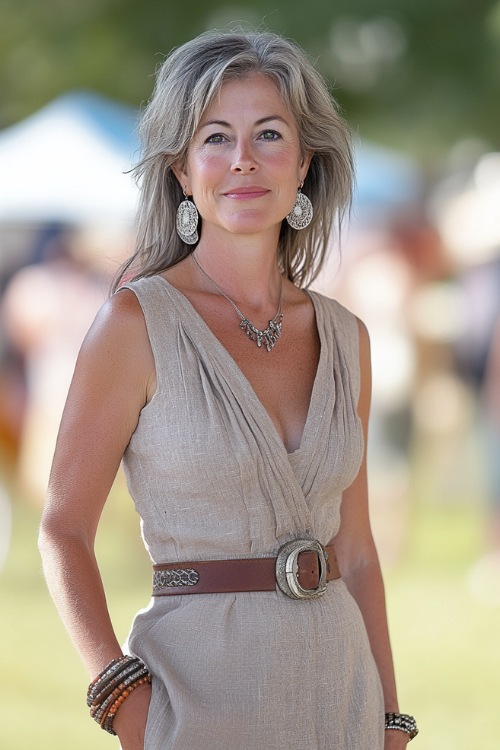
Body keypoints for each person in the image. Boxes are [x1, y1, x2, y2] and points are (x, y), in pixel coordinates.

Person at [38, 30, 418, 750]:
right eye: (216, 137)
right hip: (194, 705)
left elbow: (359, 552)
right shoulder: (133, 323)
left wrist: (391, 721)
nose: (243, 158)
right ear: (183, 169)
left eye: (268, 134)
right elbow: (62, 530)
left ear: (304, 163)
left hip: (343, 703)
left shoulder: (347, 338)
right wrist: (127, 705)